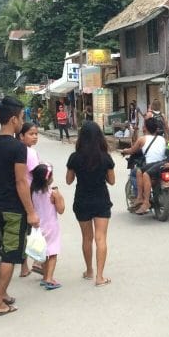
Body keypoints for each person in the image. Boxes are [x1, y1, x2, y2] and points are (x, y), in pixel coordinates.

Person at [0, 96, 39, 315]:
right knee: (10, 254)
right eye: (21, 117)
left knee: (8, 249)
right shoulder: (18, 148)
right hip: (13, 208)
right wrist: (31, 212)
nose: (21, 120)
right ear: (13, 119)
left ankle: (4, 294)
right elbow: (21, 182)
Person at [66, 121, 115, 286]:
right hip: (101, 199)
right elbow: (112, 181)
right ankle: (100, 277)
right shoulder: (105, 158)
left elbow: (68, 180)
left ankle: (89, 270)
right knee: (101, 238)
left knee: (87, 238)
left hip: (82, 200)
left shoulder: (75, 157)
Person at [30, 163, 65, 289]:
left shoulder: (33, 192)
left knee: (44, 252)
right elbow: (61, 209)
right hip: (51, 226)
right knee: (53, 253)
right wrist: (59, 195)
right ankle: (49, 279)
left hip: (38, 226)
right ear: (48, 178)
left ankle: (45, 276)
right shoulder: (53, 193)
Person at [122, 118, 167, 215]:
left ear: (145, 128)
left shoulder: (142, 139)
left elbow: (132, 150)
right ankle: (139, 198)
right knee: (139, 171)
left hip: (152, 165)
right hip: (163, 164)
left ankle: (143, 199)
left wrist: (124, 151)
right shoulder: (162, 139)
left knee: (135, 173)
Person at [17, 122, 42, 278]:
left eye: (36, 134)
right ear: (21, 136)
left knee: (24, 231)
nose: (34, 137)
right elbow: (38, 176)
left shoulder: (18, 151)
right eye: (31, 134)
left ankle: (24, 266)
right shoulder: (30, 153)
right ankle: (39, 262)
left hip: (20, 194)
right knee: (37, 229)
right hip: (32, 194)